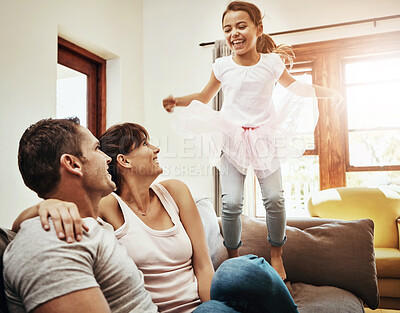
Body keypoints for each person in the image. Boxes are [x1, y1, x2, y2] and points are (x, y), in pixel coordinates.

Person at [11, 120, 299, 313]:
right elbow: (23, 226)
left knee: (239, 270)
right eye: (98, 150)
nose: (107, 159)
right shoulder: (99, 212)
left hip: (202, 306)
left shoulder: (168, 194)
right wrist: (44, 207)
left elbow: (203, 267)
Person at [162, 1, 343, 280]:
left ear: (258, 29)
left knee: (274, 198)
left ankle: (276, 256)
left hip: (263, 138)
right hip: (233, 137)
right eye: (227, 28)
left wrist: (331, 93)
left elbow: (298, 87)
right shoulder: (222, 65)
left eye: (241, 26)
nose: (234, 33)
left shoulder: (272, 63)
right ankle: (233, 257)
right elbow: (203, 96)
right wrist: (179, 100)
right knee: (231, 203)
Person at [3, 118, 158, 313]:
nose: (107, 158)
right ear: (72, 164)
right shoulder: (53, 241)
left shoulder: (91, 224)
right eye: (96, 149)